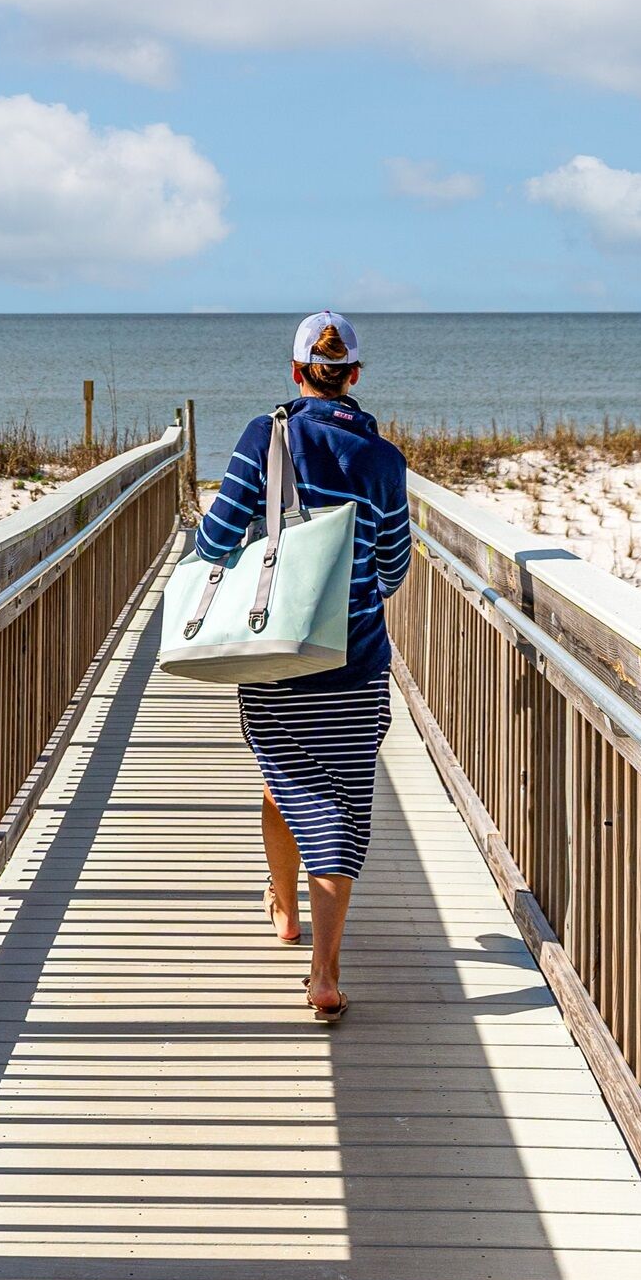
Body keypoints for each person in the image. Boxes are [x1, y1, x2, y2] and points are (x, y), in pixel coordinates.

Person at [193, 311, 410, 1022]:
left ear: (296, 373)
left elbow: (217, 540)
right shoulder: (383, 460)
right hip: (353, 660)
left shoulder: (267, 435)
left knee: (282, 781)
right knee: (344, 804)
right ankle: (324, 970)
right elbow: (394, 567)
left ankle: (284, 911)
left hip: (278, 659)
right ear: (354, 376)